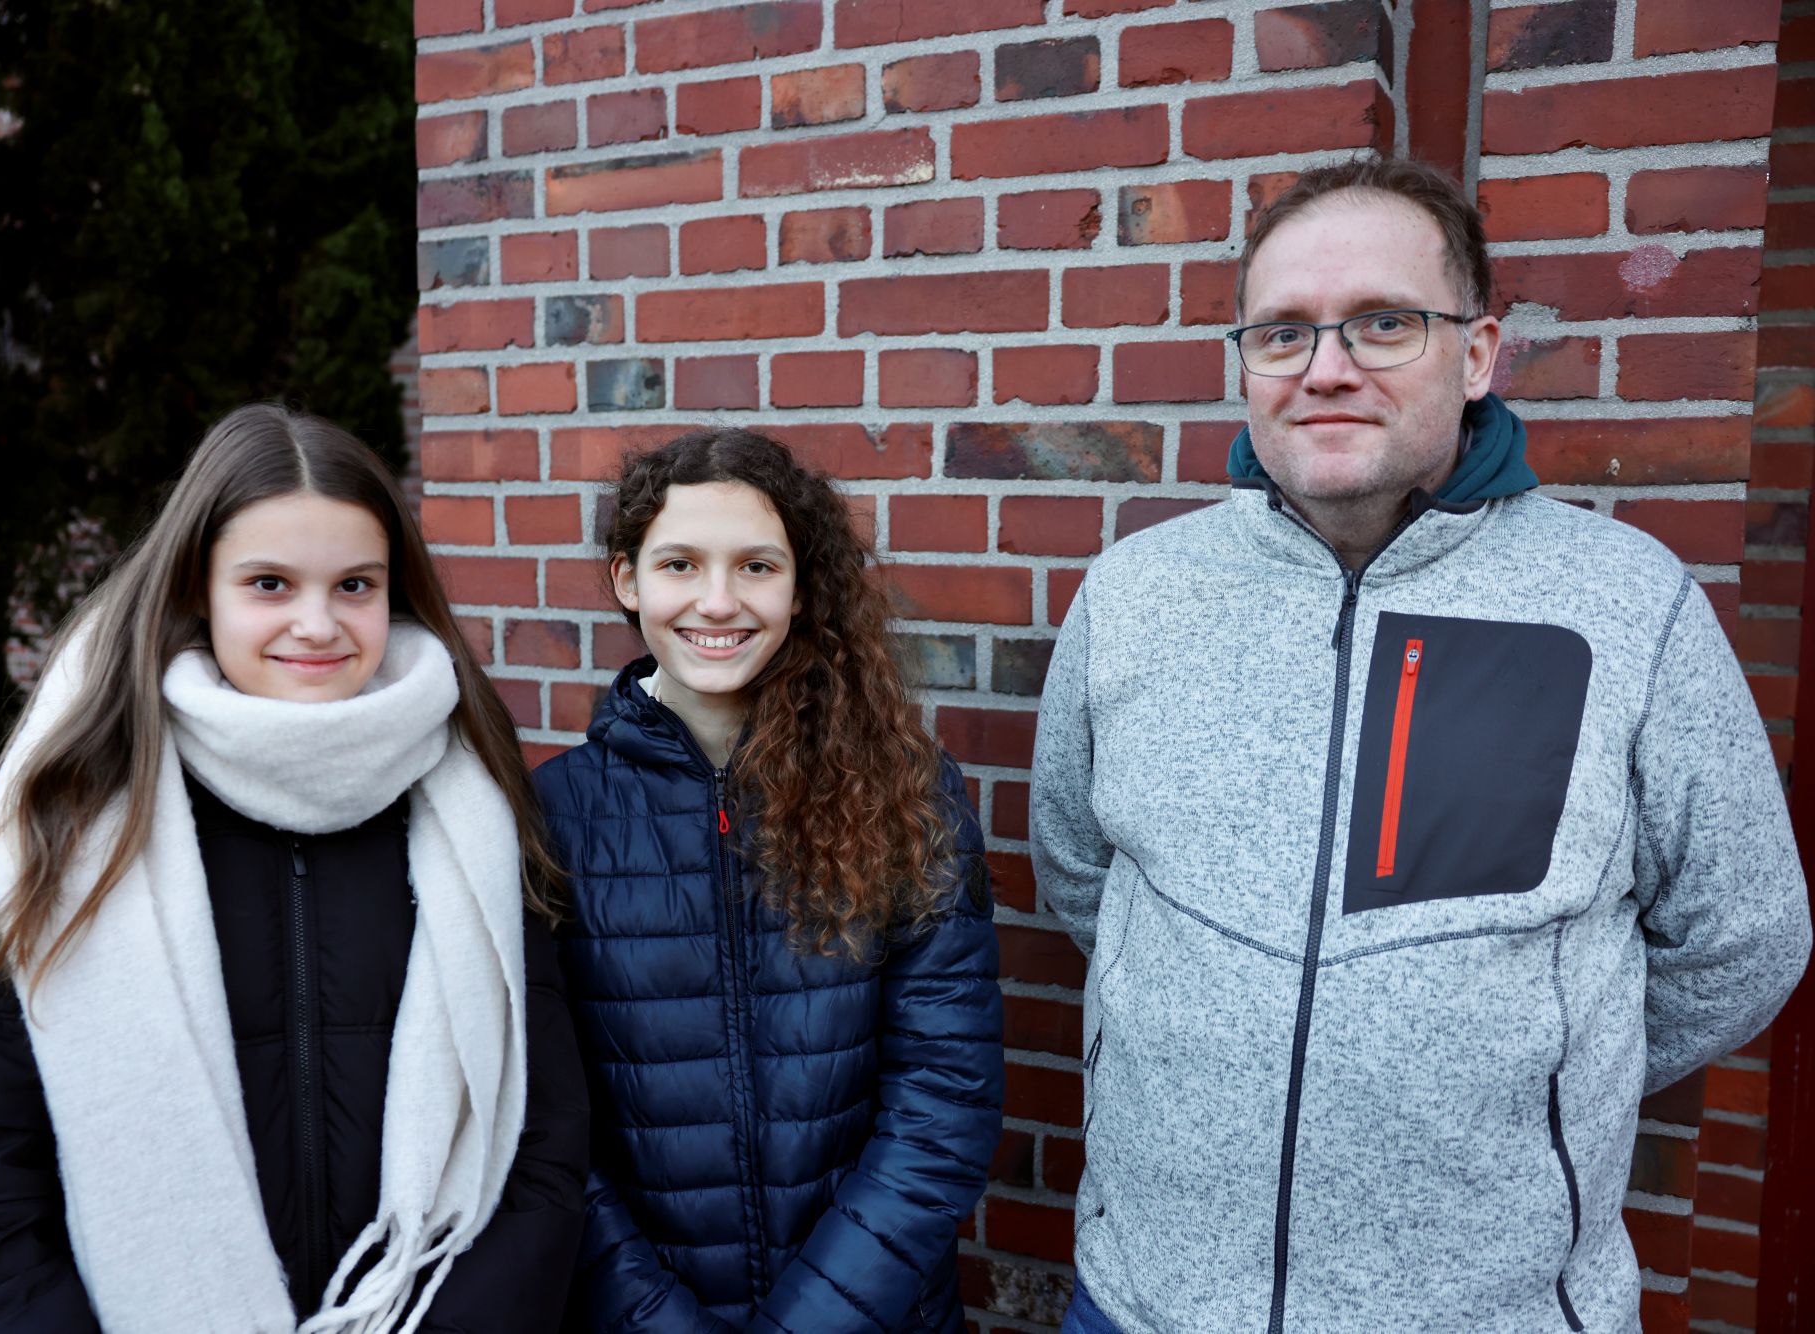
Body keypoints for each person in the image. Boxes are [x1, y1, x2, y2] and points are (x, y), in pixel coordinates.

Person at [1031, 156, 1812, 1334]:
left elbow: (1741, 935)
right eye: (1281, 332)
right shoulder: (1135, 595)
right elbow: (1079, 870)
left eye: (1382, 322)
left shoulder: (1621, 604)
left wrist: (1538, 1070)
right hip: (1146, 1299)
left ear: (1479, 352)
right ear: (1241, 363)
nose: (1326, 367)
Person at [0, 404, 588, 1333]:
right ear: (196, 593)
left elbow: (537, 1155)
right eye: (268, 583)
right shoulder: (67, 819)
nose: (318, 622)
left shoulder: (477, 809)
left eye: (354, 584)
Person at [533, 428, 1003, 1331]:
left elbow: (945, 1095)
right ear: (628, 581)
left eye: (756, 566)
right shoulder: (553, 816)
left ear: (799, 587)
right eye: (680, 564)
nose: (718, 601)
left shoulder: (904, 788)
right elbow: (550, 1129)